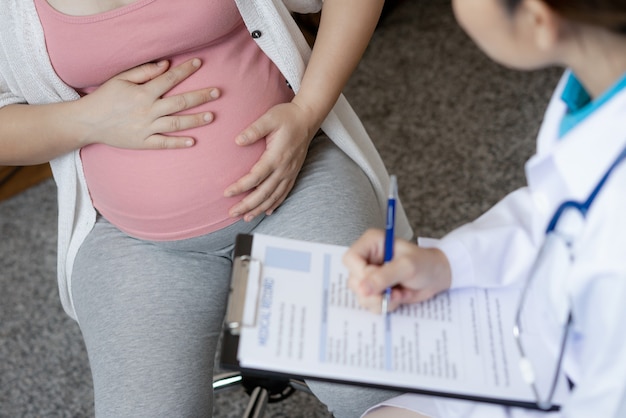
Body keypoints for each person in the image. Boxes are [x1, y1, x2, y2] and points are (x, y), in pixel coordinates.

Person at [0, 0, 414, 416]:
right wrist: (87, 120)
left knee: (378, 391)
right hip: (133, 240)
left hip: (298, 188)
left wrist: (306, 114)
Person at [311, 0, 626, 417]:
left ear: (537, 18)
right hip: (531, 338)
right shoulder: (597, 80)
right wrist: (447, 262)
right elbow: (552, 209)